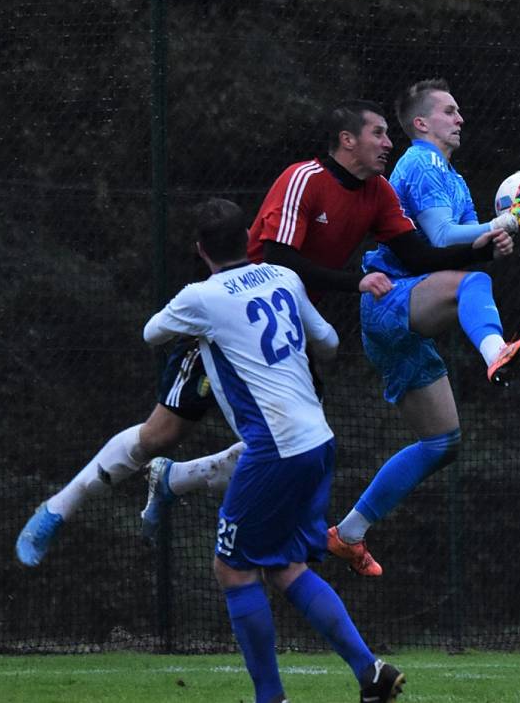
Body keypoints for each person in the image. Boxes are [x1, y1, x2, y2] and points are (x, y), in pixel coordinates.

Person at [15, 98, 514, 565]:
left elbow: (417, 256)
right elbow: (278, 259)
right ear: (347, 140)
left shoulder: (378, 192)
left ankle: (177, 481)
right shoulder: (306, 178)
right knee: (158, 435)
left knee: (291, 445)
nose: (389, 142)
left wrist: (485, 246)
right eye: (378, 133)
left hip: (288, 336)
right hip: (230, 321)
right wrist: (354, 282)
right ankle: (57, 509)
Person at [144, 196, 405, 703]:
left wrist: (203, 326)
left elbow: (151, 332)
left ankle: (271, 698)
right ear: (248, 239)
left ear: (201, 250)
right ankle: (370, 672)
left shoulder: (201, 296)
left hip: (274, 448)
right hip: (317, 439)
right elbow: (327, 340)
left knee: (232, 567)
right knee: (286, 566)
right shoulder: (283, 278)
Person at [326, 78, 520, 575]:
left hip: (405, 315)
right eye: (449, 111)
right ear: (421, 124)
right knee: (472, 283)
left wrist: (497, 238)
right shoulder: (420, 160)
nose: (460, 118)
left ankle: (348, 533)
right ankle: (496, 350)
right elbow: (440, 235)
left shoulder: (452, 178)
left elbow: (461, 250)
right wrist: (509, 223)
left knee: (442, 443)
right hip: (390, 301)